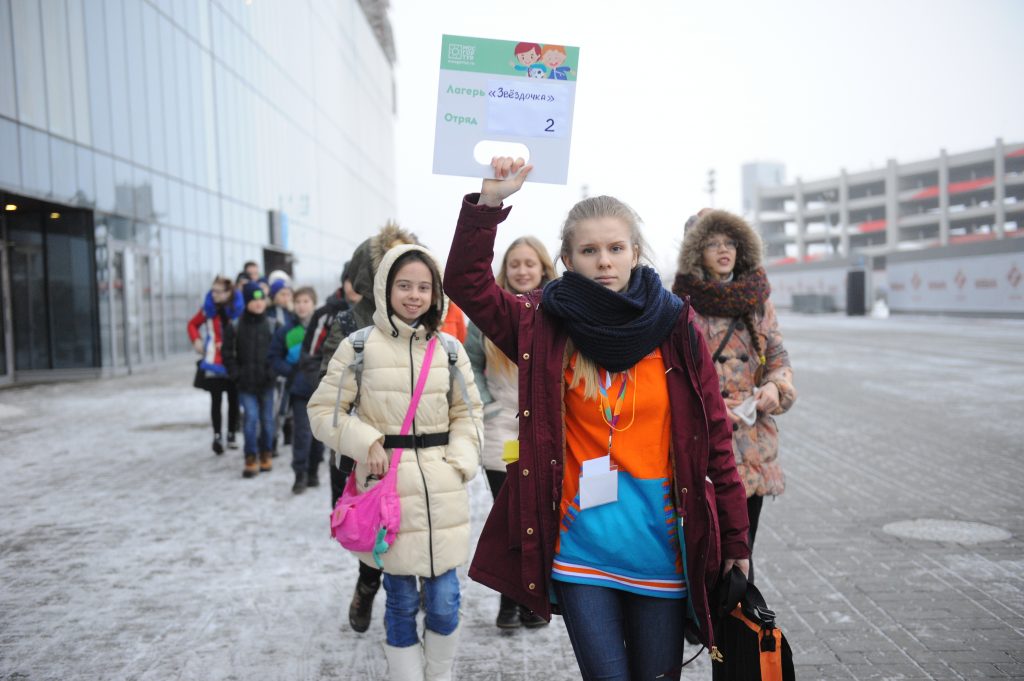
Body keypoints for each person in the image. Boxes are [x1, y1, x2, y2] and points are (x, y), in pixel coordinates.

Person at [444, 158, 750, 681]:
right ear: (567, 259)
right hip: (581, 549)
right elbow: (466, 284)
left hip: (661, 553)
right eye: (589, 251)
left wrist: (737, 542)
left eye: (615, 248)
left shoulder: (676, 326)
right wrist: (489, 203)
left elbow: (715, 439)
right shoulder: (543, 323)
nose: (604, 261)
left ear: (635, 252)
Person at [308, 244, 483, 681]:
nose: (413, 295)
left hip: (441, 489)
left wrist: (460, 460)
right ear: (386, 288)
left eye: (424, 287)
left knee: (445, 601)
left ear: (435, 293)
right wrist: (364, 440)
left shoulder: (450, 349)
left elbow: (469, 412)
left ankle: (438, 674)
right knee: (401, 600)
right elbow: (323, 411)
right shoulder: (359, 346)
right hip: (387, 491)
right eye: (404, 285)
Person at [672, 210, 797, 583]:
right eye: (712, 243)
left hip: (751, 443)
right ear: (696, 251)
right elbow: (671, 373)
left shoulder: (757, 299)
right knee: (700, 547)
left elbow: (778, 358)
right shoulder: (678, 304)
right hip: (701, 439)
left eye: (729, 242)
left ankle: (734, 632)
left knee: (741, 551)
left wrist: (776, 387)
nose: (723, 250)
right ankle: (702, 626)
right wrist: (708, 408)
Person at [314, 223, 418, 634]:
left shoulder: (428, 321)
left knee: (411, 525)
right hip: (364, 451)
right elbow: (328, 390)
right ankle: (367, 586)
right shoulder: (349, 324)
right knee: (373, 528)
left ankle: (412, 599)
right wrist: (363, 435)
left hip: (414, 451)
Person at [464, 236, 557, 630]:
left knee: (538, 515)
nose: (522, 270)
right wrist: (486, 402)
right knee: (510, 516)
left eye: (529, 264)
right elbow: (468, 361)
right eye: (515, 264)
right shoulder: (488, 314)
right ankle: (511, 598)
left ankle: (529, 599)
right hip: (501, 427)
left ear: (543, 269)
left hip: (544, 431)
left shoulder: (557, 311)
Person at [270, 286, 324, 494]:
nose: (302, 306)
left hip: (321, 390)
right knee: (302, 433)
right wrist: (290, 371)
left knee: (320, 435)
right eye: (298, 301)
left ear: (313, 303)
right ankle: (299, 474)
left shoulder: (322, 329)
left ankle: (313, 471)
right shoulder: (286, 331)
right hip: (300, 390)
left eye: (306, 301)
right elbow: (273, 357)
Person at [223, 282, 276, 478]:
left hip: (267, 383)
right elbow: (227, 354)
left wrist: (272, 372)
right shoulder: (235, 326)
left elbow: (278, 352)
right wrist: (236, 375)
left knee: (268, 420)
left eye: (261, 298)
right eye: (253, 299)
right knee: (251, 419)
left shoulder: (272, 325)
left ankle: (266, 453)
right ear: (246, 301)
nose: (258, 303)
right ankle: (250, 457)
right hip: (245, 384)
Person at [187, 276, 244, 454]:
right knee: (216, 399)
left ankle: (232, 434)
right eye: (213, 290)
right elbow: (192, 324)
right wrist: (196, 340)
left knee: (234, 398)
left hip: (234, 359)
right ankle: (217, 435)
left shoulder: (239, 309)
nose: (214, 294)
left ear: (229, 292)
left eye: (218, 291)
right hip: (214, 360)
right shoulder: (208, 309)